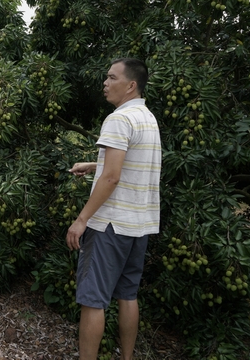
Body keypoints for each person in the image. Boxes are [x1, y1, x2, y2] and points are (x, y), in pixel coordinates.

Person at [66, 58, 161, 360]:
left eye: (111, 78)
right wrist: (94, 163)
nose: (105, 83)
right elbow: (131, 164)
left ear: (131, 85)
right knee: (127, 296)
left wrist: (82, 220)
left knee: (93, 300)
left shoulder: (119, 119)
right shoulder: (147, 117)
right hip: (139, 225)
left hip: (110, 225)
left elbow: (112, 177)